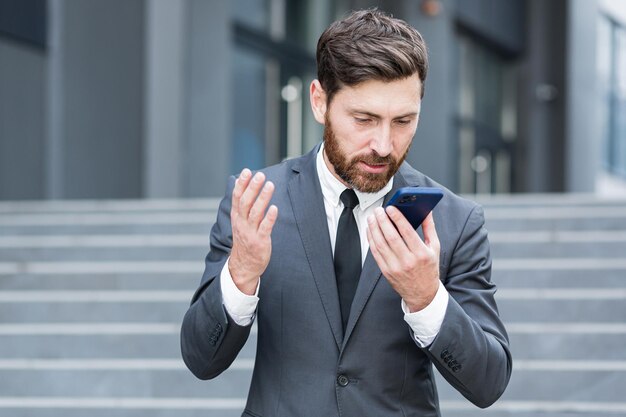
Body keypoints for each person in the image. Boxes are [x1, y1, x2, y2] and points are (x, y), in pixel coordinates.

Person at [181, 9, 512, 417]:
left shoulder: (456, 222)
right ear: (320, 102)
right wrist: (241, 274)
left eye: (404, 121)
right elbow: (201, 358)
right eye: (364, 119)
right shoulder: (255, 201)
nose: (384, 145)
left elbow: (489, 382)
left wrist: (427, 297)